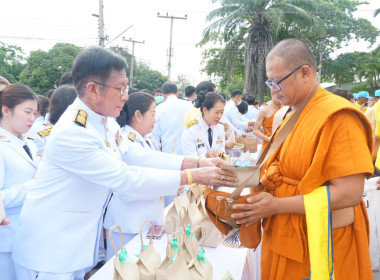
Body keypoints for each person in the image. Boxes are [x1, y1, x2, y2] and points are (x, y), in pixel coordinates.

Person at [12, 46, 237, 280]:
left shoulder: (105, 123)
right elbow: (125, 178)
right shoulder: (74, 132)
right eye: (120, 88)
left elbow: (135, 155)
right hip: (49, 251)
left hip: (72, 246)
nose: (126, 96)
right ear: (92, 90)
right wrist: (194, 177)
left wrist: (195, 162)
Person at [232, 38, 374, 279]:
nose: (272, 90)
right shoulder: (286, 114)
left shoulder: (339, 117)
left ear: (305, 72)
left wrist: (277, 205)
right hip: (285, 233)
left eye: (277, 82)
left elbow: (349, 193)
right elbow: (278, 168)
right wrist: (237, 175)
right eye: (269, 82)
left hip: (321, 241)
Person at [104, 92, 165, 260]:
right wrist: (166, 185)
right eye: (153, 114)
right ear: (138, 115)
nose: (155, 120)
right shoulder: (125, 141)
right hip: (129, 224)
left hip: (144, 221)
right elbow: (126, 189)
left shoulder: (144, 139)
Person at [0, 84, 38, 280]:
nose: (33, 118)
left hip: (28, 236)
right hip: (5, 240)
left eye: (35, 112)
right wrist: (36, 186)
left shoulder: (28, 142)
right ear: (6, 110)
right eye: (27, 112)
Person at [152, 82, 193, 155]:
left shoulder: (158, 109)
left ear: (163, 95)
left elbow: (155, 137)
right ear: (177, 93)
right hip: (189, 151)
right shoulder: (189, 105)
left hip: (168, 153)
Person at [182, 92, 225, 157]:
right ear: (205, 110)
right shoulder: (190, 130)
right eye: (217, 112)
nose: (220, 116)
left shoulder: (220, 127)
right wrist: (206, 155)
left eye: (222, 112)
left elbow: (222, 151)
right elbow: (191, 159)